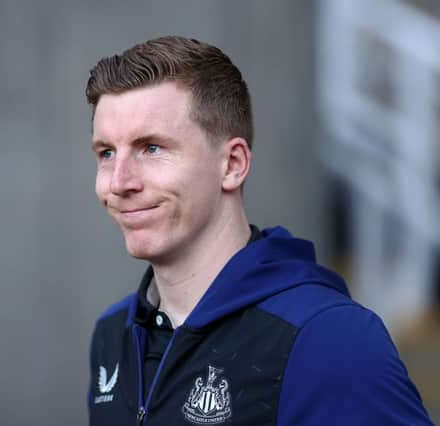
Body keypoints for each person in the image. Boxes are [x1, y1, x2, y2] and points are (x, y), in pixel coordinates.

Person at [85, 36, 433, 426]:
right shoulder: (114, 334)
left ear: (232, 164)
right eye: (107, 153)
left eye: (151, 148)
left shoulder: (328, 338)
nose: (119, 183)